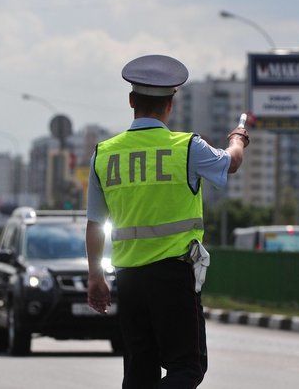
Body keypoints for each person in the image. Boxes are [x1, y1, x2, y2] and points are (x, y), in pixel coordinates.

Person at [86, 54, 249, 388]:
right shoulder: (187, 147)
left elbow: (93, 224)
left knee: (138, 371)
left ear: (131, 100)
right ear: (171, 104)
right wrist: (238, 139)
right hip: (173, 277)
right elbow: (230, 164)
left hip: (128, 278)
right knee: (187, 366)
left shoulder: (105, 153)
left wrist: (95, 277)